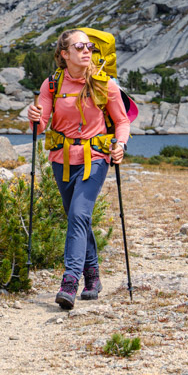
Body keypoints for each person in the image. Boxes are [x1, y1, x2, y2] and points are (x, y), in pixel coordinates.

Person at [27, 29, 130, 310]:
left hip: (95, 158)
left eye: (90, 46)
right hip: (61, 160)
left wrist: (120, 144)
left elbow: (122, 121)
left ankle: (70, 282)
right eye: (80, 46)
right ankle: (93, 277)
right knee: (78, 219)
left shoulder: (104, 84)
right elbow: (42, 123)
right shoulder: (51, 85)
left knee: (79, 214)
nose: (87, 50)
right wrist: (34, 116)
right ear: (64, 54)